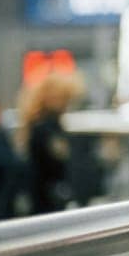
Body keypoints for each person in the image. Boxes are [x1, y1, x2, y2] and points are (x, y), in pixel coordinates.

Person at [16, 71, 85, 216]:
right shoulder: (46, 128)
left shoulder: (38, 125)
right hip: (46, 196)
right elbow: (58, 158)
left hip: (43, 193)